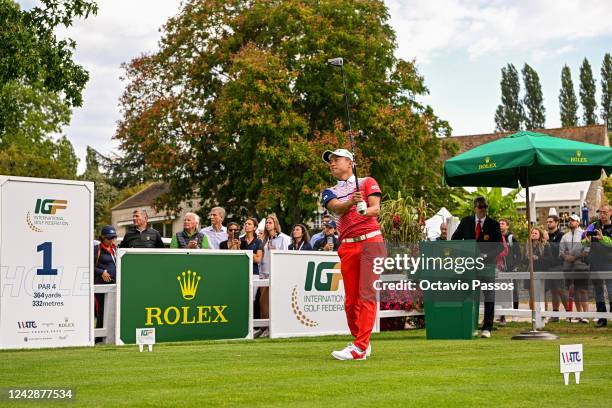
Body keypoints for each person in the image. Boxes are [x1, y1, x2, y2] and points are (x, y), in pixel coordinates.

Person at [321, 148, 384, 360]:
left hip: (371, 242)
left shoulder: (367, 182)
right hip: (347, 245)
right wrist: (351, 202)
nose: (332, 163)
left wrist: (364, 208)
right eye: (330, 161)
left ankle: (359, 348)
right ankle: (362, 342)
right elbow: (336, 208)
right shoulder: (328, 191)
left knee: (366, 296)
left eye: (336, 159)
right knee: (351, 302)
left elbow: (376, 209)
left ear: (349, 162)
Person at [451, 196, 502, 338]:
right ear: (474, 208)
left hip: (487, 266)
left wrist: (486, 256)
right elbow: (455, 239)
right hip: (469, 266)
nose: (483, 209)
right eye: (481, 206)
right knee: (468, 296)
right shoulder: (466, 222)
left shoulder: (493, 224)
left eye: (485, 206)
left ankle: (487, 328)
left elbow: (499, 246)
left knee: (489, 296)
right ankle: (467, 325)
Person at [259, 214, 290, 332]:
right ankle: (263, 328)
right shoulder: (264, 239)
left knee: (274, 302)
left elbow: (287, 256)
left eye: (270, 222)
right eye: (266, 222)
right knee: (262, 301)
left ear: (275, 224)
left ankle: (272, 328)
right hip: (264, 273)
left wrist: (276, 251)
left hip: (276, 273)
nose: (267, 224)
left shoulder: (284, 238)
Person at [583, 204, 612, 327]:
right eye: (601, 212)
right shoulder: (593, 225)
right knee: (598, 292)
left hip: (609, 263)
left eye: (605, 212)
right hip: (595, 263)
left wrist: (602, 238)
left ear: (611, 212)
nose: (602, 215)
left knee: (611, 291)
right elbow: (583, 240)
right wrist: (586, 241)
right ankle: (602, 318)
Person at [560, 214, 589, 323]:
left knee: (582, 290)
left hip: (581, 266)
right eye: (569, 220)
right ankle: (578, 314)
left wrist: (574, 257)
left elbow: (586, 250)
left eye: (573, 220)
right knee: (573, 291)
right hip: (568, 267)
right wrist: (566, 257)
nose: (570, 222)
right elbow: (561, 251)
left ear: (578, 222)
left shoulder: (583, 234)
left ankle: (585, 315)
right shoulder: (565, 236)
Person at [94, 225, 117, 335]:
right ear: (102, 237)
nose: (111, 240)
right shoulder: (96, 249)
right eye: (109, 238)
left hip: (115, 284)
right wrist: (101, 272)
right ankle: (98, 338)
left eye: (113, 237)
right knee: (102, 311)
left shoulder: (115, 249)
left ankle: (112, 335)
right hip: (101, 285)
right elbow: (89, 266)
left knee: (114, 310)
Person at [546, 214, 569, 321]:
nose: (548, 223)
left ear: (556, 223)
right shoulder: (546, 235)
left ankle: (569, 313)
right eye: (547, 222)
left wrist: (547, 242)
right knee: (553, 291)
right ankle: (555, 314)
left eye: (550, 222)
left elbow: (559, 249)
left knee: (561, 290)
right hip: (549, 266)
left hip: (559, 265)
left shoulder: (561, 235)